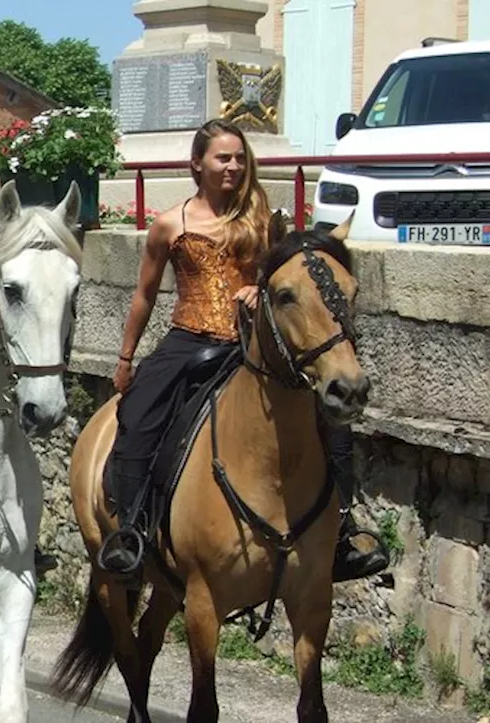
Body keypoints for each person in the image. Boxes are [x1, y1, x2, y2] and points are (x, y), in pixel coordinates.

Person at [96, 118, 389, 583]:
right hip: (188, 338)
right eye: (222, 158)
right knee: (140, 417)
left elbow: (283, 278)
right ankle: (131, 530)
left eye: (238, 158)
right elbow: (145, 295)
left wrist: (257, 289)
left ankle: (343, 530)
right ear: (197, 163)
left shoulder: (259, 217)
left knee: (327, 422)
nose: (232, 166)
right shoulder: (170, 224)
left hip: (248, 341)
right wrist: (127, 358)